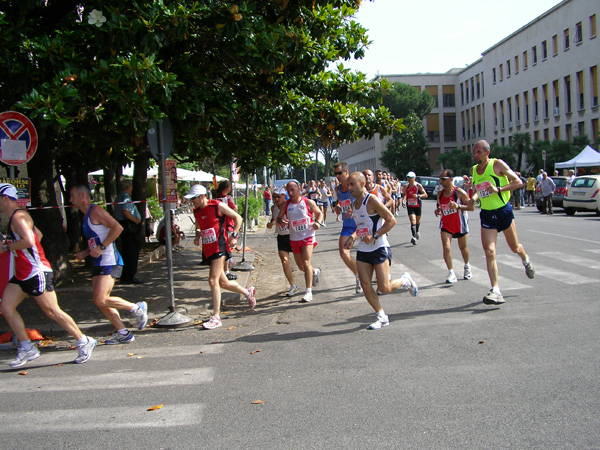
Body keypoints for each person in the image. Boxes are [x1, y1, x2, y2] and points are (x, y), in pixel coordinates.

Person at [0, 183, 96, 367]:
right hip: (23, 273)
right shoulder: (18, 217)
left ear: (5, 198)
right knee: (6, 307)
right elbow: (39, 235)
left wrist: (6, 247)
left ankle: (84, 340)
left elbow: (29, 240)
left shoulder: (18, 217)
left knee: (52, 311)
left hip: (36, 272)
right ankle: (27, 347)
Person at [70, 185, 148, 344]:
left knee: (100, 299)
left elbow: (117, 228)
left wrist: (102, 247)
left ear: (83, 196)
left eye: (72, 196)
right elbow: (96, 240)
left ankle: (137, 308)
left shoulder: (95, 211)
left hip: (110, 260)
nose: (70, 200)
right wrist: (85, 252)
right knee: (100, 299)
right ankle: (123, 332)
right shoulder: (85, 215)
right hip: (100, 261)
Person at [343, 173, 418, 330]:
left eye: (352, 184)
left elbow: (391, 220)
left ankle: (405, 281)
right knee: (365, 284)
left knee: (384, 288)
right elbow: (363, 225)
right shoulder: (353, 203)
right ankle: (381, 316)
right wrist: (353, 237)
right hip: (364, 249)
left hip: (379, 247)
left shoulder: (372, 200)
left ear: (362, 183)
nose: (349, 188)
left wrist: (375, 235)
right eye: (348, 185)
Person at [469, 140, 535, 305]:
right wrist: (473, 198)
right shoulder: (475, 170)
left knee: (515, 247)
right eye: (474, 152)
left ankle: (525, 259)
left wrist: (499, 189)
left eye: (478, 152)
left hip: (503, 211)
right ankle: (496, 290)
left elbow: (519, 182)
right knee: (490, 251)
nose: (475, 155)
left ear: (486, 153)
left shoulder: (497, 164)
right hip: (487, 214)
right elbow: (479, 190)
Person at [186, 184, 256, 329]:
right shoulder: (196, 211)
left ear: (202, 196)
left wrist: (234, 235)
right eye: (191, 199)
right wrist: (198, 236)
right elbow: (199, 225)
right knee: (223, 282)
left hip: (220, 246)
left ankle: (216, 316)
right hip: (208, 248)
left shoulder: (216, 206)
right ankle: (247, 292)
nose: (192, 201)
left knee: (212, 281)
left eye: (194, 198)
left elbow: (238, 218)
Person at [277, 180, 322, 303]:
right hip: (294, 238)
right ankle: (315, 271)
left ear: (299, 189)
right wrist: (281, 221)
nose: (290, 193)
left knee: (306, 262)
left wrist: (318, 222)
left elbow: (319, 213)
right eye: (288, 190)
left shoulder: (307, 202)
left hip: (308, 236)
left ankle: (308, 291)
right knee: (301, 266)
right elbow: (279, 218)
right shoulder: (286, 205)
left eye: (293, 190)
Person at [434, 170, 474, 284]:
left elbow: (471, 208)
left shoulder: (460, 192)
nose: (441, 182)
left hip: (459, 224)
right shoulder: (440, 193)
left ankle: (467, 266)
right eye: (440, 179)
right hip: (446, 225)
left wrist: (458, 206)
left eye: (443, 179)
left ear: (451, 179)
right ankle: (451, 272)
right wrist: (437, 210)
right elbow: (439, 205)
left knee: (463, 247)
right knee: (446, 247)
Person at [333, 161, 361, 293]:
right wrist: (338, 207)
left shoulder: (354, 186)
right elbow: (337, 202)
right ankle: (359, 275)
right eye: (335, 174)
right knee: (344, 253)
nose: (337, 176)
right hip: (348, 225)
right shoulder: (337, 189)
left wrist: (353, 208)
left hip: (362, 225)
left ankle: (383, 277)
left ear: (346, 172)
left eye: (339, 173)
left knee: (374, 255)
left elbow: (364, 199)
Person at [267, 186, 298, 296]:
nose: (276, 199)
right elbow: (274, 219)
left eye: (278, 197)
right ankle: (293, 285)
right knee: (285, 261)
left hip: (292, 236)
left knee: (302, 264)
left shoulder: (290, 206)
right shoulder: (273, 208)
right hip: (281, 237)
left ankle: (313, 271)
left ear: (284, 196)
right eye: (274, 197)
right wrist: (270, 224)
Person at [113, 179, 143, 284]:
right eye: (131, 187)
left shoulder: (118, 197)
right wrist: (136, 221)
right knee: (132, 251)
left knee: (126, 250)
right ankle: (130, 275)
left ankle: (125, 275)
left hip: (123, 225)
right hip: (129, 226)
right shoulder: (125, 197)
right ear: (128, 187)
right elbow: (126, 211)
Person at [213, 180, 238, 280]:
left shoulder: (214, 198)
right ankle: (226, 270)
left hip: (217, 226)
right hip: (227, 225)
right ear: (227, 188)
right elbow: (234, 209)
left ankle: (221, 269)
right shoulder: (226, 199)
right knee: (227, 248)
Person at [401, 171, 428, 245]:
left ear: (414, 178)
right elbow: (405, 195)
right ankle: (414, 237)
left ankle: (417, 231)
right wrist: (403, 201)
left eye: (410, 178)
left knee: (417, 221)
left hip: (417, 205)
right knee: (413, 221)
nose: (409, 179)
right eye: (408, 177)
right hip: (410, 205)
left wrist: (418, 196)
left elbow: (425, 195)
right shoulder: (406, 186)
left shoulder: (418, 185)